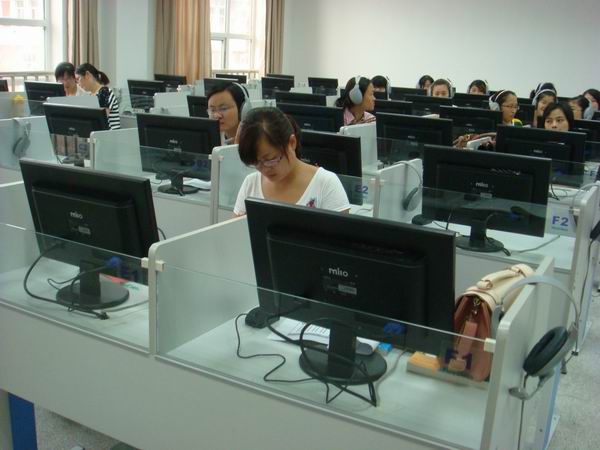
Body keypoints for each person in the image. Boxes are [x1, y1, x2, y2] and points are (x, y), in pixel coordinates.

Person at [233, 107, 350, 216]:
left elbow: (340, 231)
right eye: (256, 162)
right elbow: (234, 230)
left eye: (270, 159)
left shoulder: (325, 184)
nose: (264, 169)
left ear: (292, 143)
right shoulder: (251, 184)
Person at [74, 63, 120, 130]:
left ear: (87, 74)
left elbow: (100, 119)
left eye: (78, 79)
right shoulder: (90, 95)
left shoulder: (105, 92)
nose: (78, 84)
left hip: (110, 135)